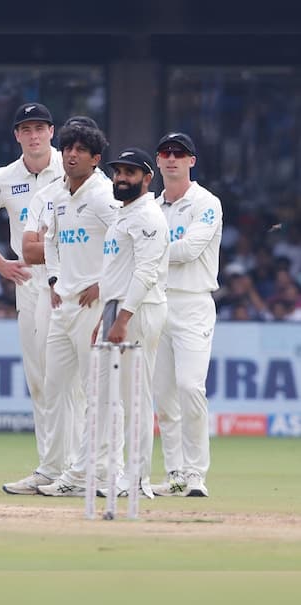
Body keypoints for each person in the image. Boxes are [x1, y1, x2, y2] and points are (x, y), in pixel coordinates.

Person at [0, 102, 65, 494]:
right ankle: (49, 467)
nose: (34, 135)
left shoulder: (70, 169)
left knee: (68, 377)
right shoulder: (6, 177)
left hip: (66, 280)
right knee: (39, 377)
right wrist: (0, 263)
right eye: (27, 129)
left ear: (51, 132)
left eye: (40, 127)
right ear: (17, 136)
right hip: (28, 280)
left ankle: (78, 466)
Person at [34, 120, 119, 496]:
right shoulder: (57, 195)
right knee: (53, 390)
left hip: (93, 305)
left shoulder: (104, 195)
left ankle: (96, 472)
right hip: (63, 304)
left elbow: (128, 240)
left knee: (94, 391)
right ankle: (52, 469)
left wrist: (104, 284)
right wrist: (54, 278)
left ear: (95, 158)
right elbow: (50, 241)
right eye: (68, 147)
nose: (71, 154)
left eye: (81, 149)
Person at [92, 148, 169, 498]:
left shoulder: (148, 217)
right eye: (118, 172)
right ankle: (123, 474)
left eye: (130, 173)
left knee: (135, 396)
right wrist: (105, 315)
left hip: (138, 311)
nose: (121, 178)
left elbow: (146, 272)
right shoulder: (125, 215)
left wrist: (123, 318)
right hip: (118, 309)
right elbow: (116, 273)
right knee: (117, 397)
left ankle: (138, 480)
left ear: (147, 178)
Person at [151, 132, 222, 498]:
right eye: (166, 153)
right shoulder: (151, 205)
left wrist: (148, 248)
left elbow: (191, 249)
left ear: (192, 161)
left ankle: (196, 475)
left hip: (193, 302)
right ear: (158, 160)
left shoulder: (206, 202)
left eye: (180, 153)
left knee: (190, 387)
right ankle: (176, 474)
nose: (172, 159)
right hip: (157, 302)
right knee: (163, 396)